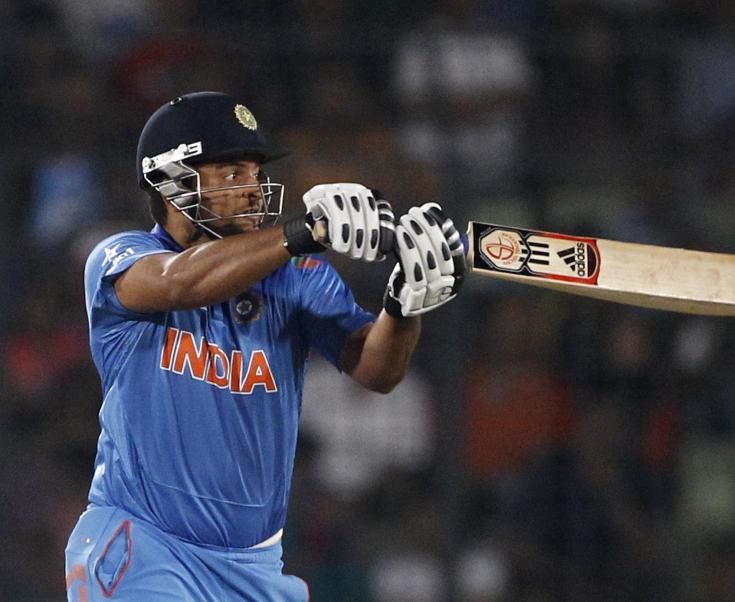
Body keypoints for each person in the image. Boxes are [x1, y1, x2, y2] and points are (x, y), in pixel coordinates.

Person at [63, 91, 464, 601]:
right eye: (231, 174)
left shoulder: (295, 276)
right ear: (173, 181)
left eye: (254, 172)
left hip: (255, 566)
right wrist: (304, 231)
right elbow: (181, 283)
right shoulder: (122, 258)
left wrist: (406, 304)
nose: (252, 190)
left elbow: (375, 370)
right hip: (144, 547)